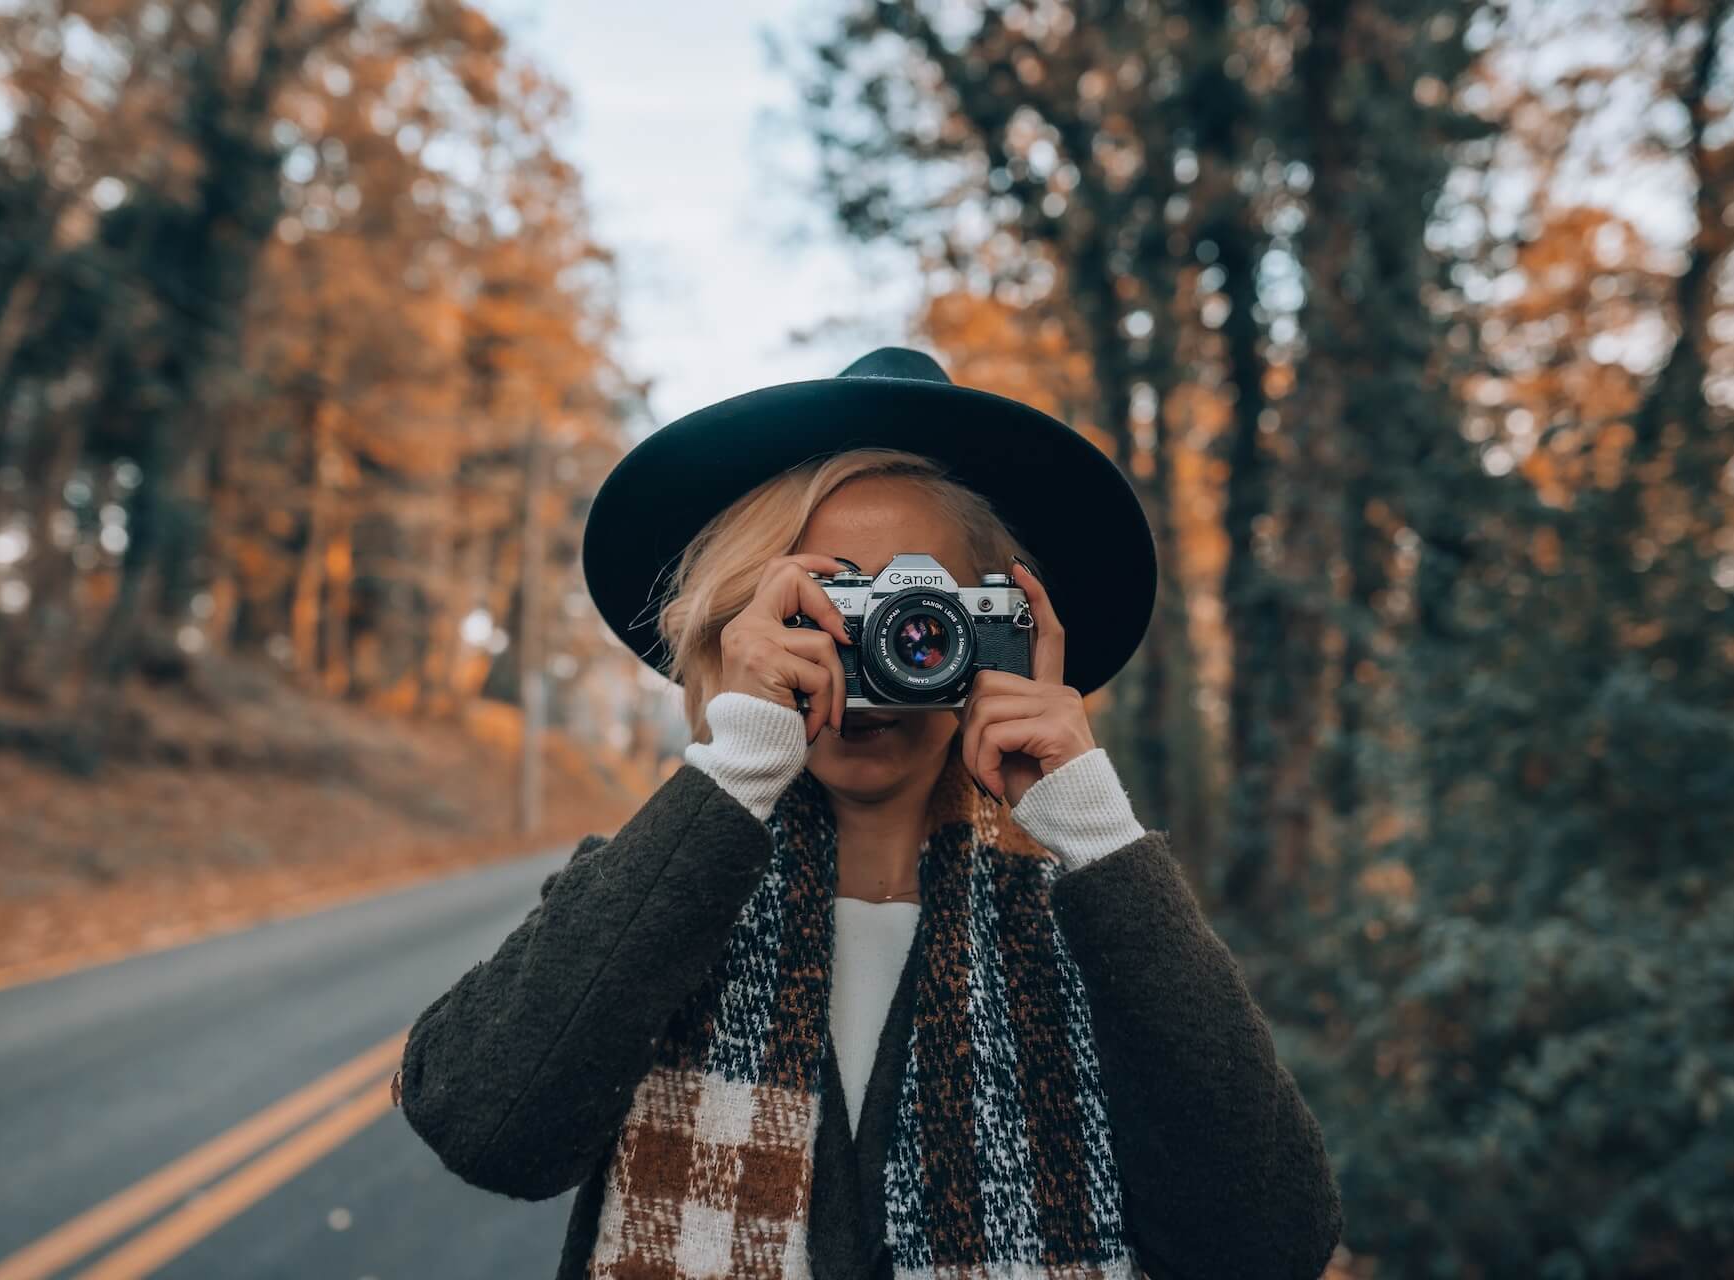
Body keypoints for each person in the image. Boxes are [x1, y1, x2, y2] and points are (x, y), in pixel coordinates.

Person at [393, 348, 1343, 1279]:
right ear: (742, 629)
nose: (874, 648)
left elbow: (1265, 1242)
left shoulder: (1092, 929)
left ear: (996, 639)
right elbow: (488, 1127)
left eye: (923, 616)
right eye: (825, 606)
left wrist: (1095, 830)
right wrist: (736, 768)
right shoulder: (652, 899)